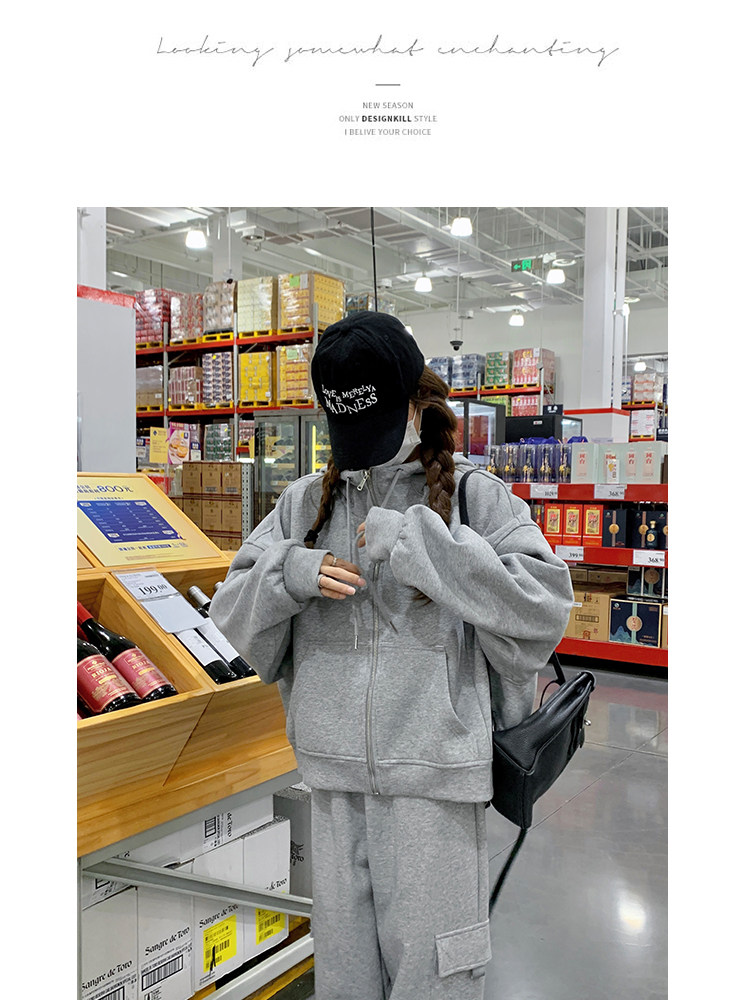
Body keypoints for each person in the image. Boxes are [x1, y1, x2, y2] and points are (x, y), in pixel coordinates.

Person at [210, 311, 573, 1000]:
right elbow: (231, 611)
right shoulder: (303, 504)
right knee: (343, 981)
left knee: (436, 981)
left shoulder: (475, 496)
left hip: (436, 789)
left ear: (414, 401)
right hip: (333, 785)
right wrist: (290, 572)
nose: (362, 451)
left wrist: (422, 545)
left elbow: (543, 608)